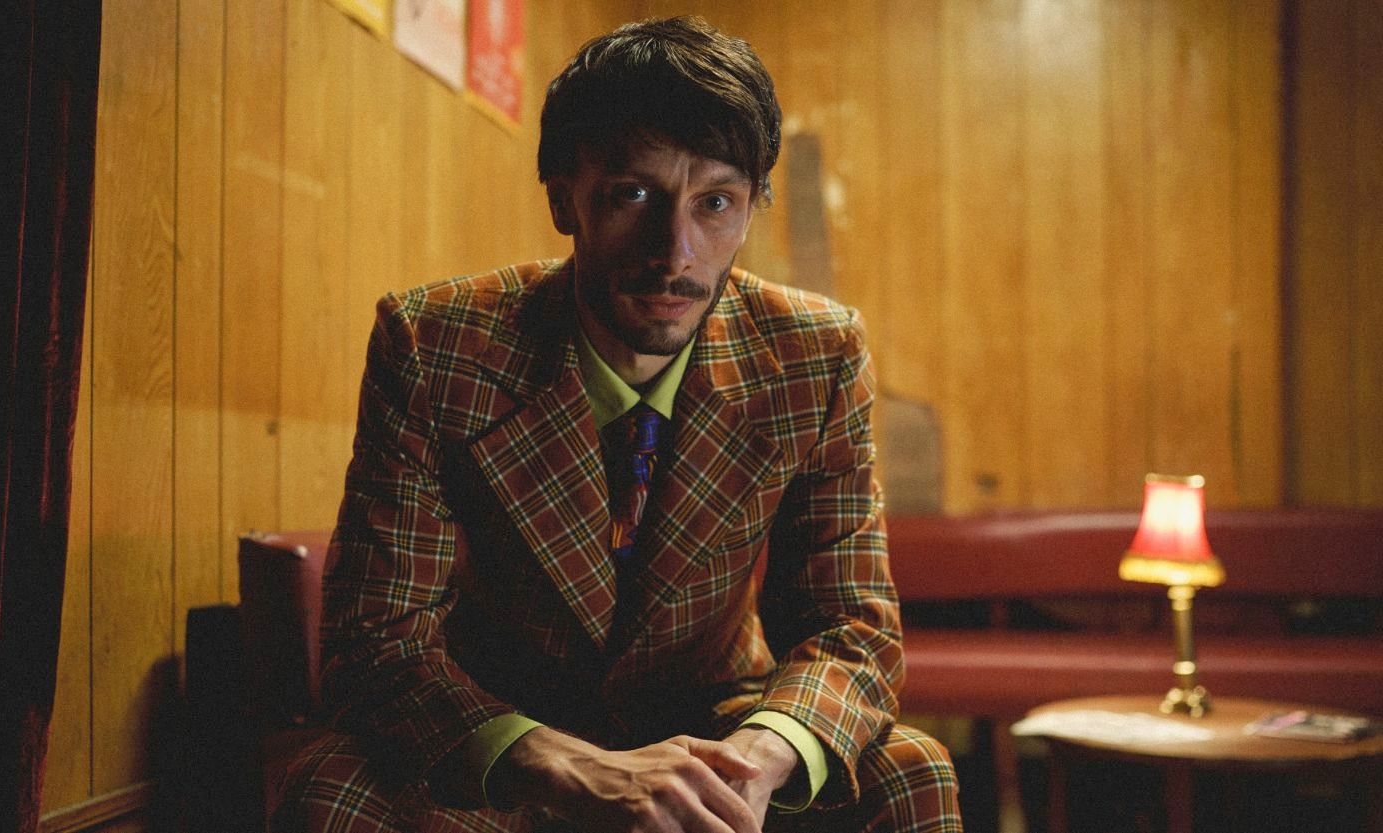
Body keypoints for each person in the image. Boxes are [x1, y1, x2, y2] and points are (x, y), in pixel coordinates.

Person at [279, 16, 961, 833]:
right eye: (632, 193)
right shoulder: (436, 343)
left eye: (716, 202)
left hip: (717, 729)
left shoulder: (814, 354)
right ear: (565, 196)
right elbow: (374, 646)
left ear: (751, 211)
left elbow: (850, 629)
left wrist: (756, 756)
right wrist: (560, 763)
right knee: (333, 785)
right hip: (506, 738)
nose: (675, 250)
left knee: (911, 768)